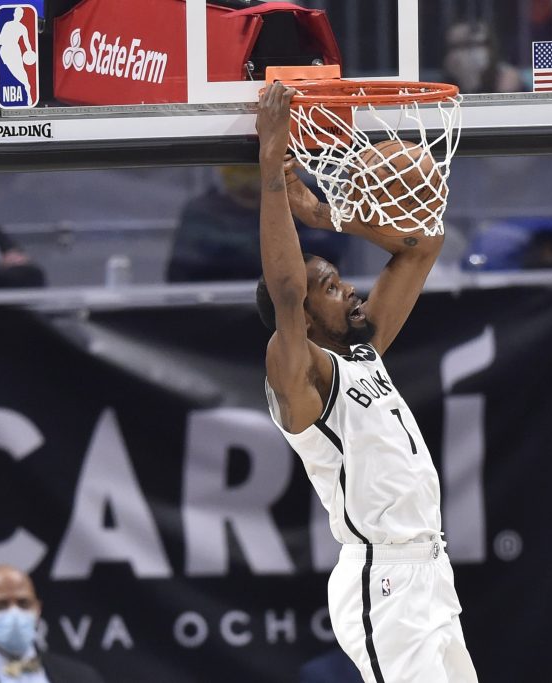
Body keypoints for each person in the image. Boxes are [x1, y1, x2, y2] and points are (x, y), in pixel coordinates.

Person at [255, 82, 478, 683]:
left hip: (430, 571)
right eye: (330, 287)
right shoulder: (300, 376)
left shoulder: (364, 350)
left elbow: (422, 245)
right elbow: (285, 288)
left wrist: (324, 214)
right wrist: (272, 169)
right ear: (303, 315)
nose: (349, 288)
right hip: (384, 579)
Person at [166, 165, 347, 282]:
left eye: (255, 165)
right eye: (238, 166)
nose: (247, 175)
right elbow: (181, 274)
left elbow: (328, 251)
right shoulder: (202, 211)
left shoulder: (308, 199)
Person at [0, 564, 103, 683]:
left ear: (37, 610)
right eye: (0, 605)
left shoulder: (82, 677)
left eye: (23, 603)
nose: (14, 613)